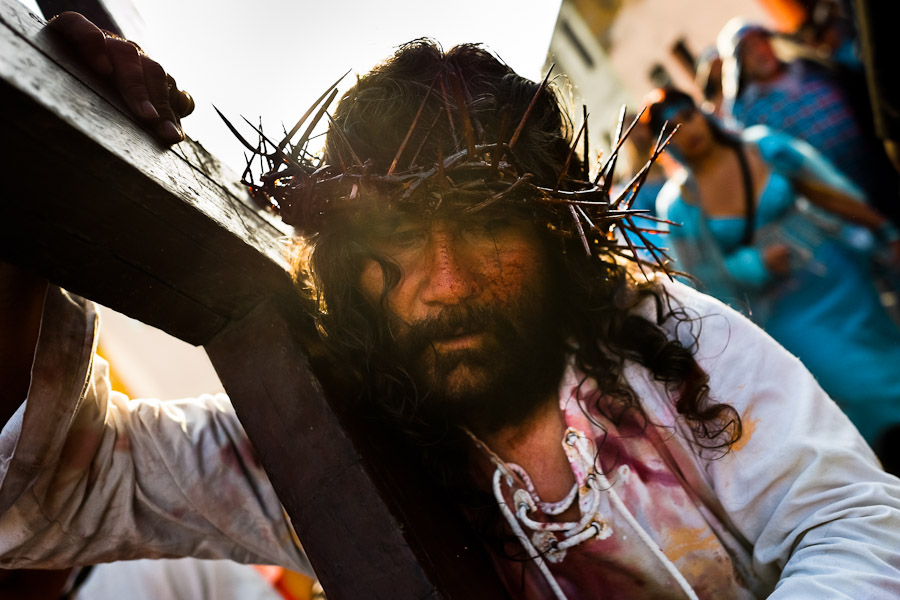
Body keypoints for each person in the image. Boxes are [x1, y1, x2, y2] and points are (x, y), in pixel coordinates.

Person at [2, 12, 900, 600]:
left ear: (555, 238)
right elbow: (55, 488)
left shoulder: (663, 341)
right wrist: (33, 186)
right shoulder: (318, 431)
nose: (446, 280)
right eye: (394, 238)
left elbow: (851, 520)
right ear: (349, 265)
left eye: (484, 228)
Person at [650, 87, 900, 470]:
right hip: (787, 313)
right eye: (672, 128)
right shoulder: (680, 204)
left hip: (843, 278)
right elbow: (701, 284)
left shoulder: (765, 146)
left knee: (891, 362)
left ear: (702, 112)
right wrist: (753, 264)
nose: (686, 130)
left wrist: (883, 231)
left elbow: (829, 188)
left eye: (688, 115)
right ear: (663, 144)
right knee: (857, 388)